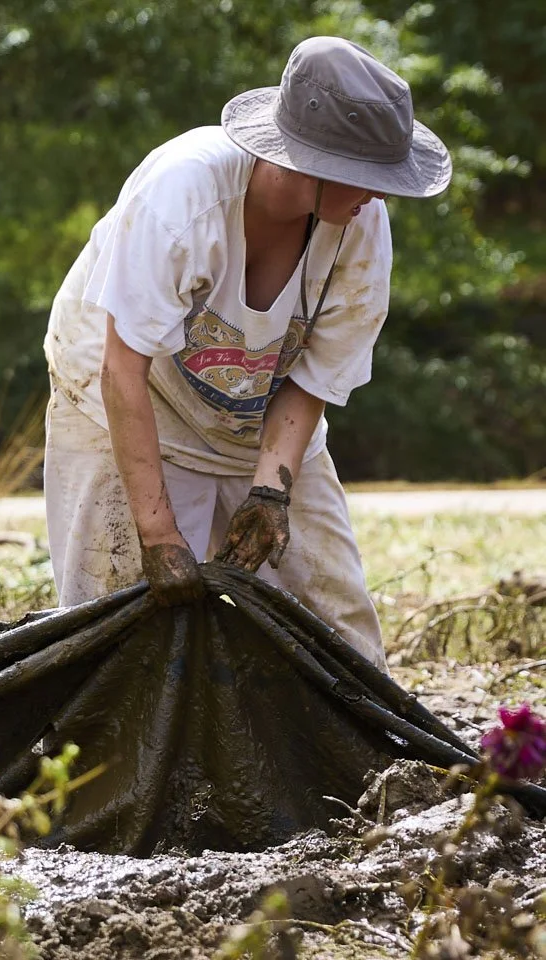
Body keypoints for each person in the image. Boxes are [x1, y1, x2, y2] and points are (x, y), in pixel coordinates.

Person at [42, 36, 452, 666]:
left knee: (338, 626)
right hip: (124, 395)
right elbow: (121, 370)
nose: (381, 196)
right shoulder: (182, 195)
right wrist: (156, 532)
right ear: (310, 163)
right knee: (120, 618)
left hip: (255, 413)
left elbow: (316, 377)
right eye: (368, 178)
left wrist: (270, 493)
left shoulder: (361, 225)